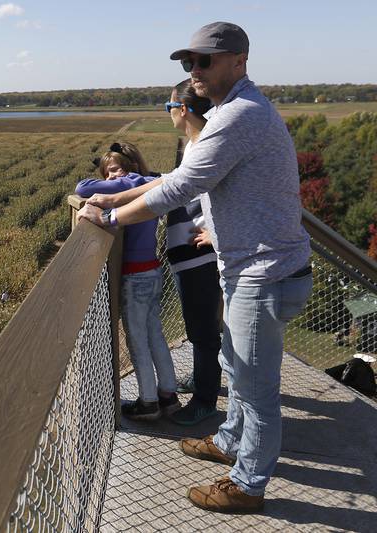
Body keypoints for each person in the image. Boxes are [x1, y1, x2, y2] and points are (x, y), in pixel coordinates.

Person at [77, 21, 312, 513]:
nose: (194, 71)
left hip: (263, 274)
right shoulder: (237, 111)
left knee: (255, 385)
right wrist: (115, 192)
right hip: (253, 269)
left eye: (204, 61)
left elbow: (178, 190)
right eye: (189, 62)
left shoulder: (239, 115)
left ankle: (248, 484)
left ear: (239, 61)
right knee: (235, 365)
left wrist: (111, 215)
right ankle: (229, 441)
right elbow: (182, 175)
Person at [101, 80, 223, 426]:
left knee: (201, 331)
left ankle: (203, 400)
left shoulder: (205, 145)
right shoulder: (197, 144)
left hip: (198, 255)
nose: (168, 113)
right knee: (198, 328)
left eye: (169, 107)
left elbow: (173, 190)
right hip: (187, 255)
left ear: (182, 110)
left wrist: (111, 211)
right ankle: (197, 385)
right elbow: (170, 181)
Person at [75, 142, 180, 421]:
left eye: (114, 169)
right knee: (154, 335)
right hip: (152, 271)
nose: (111, 177)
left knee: (136, 341)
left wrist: (113, 181)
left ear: (129, 168)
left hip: (135, 276)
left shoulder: (128, 183)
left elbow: (82, 189)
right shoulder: (149, 182)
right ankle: (168, 395)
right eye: (107, 173)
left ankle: (148, 402)